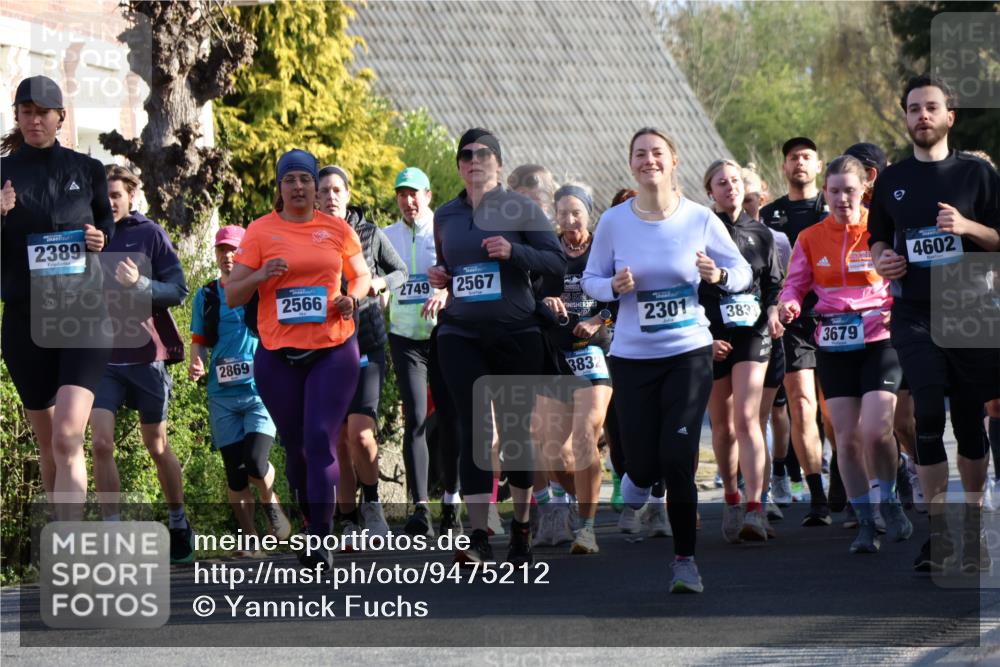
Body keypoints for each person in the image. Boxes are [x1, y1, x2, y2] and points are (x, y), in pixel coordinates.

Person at [582, 127, 752, 593]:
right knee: (639, 461)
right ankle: (636, 482)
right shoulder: (615, 222)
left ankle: (684, 562)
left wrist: (717, 273)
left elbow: (741, 272)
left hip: (688, 352)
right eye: (640, 154)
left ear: (673, 161)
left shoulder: (699, 219)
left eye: (657, 153)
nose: (649, 160)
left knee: (677, 456)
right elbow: (589, 280)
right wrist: (611, 288)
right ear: (631, 164)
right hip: (633, 356)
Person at [868, 75, 1000, 573]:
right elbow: (877, 238)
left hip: (970, 313)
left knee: (969, 421)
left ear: (950, 116)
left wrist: (967, 228)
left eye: (931, 107)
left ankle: (972, 527)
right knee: (926, 412)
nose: (921, 115)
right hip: (915, 313)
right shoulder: (892, 180)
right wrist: (882, 258)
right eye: (913, 109)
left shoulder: (977, 176)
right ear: (905, 119)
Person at [226, 149, 371, 570]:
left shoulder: (337, 228)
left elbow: (360, 274)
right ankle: (311, 522)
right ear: (280, 187)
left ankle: (321, 537)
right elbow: (234, 293)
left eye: (305, 179)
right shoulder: (259, 231)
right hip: (278, 356)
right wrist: (259, 275)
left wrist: (352, 298)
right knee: (295, 450)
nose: (298, 186)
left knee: (319, 440)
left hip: (333, 349)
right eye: (289, 180)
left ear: (314, 183)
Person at [428, 128, 566, 565]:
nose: (474, 161)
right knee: (473, 429)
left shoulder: (521, 208)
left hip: (516, 333)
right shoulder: (446, 215)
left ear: (499, 163)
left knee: (514, 433)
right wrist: (442, 277)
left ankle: (522, 525)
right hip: (460, 334)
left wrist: (514, 252)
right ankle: (478, 533)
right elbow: (450, 265)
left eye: (483, 154)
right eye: (466, 155)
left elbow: (556, 262)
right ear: (458, 165)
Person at [780, 155, 912, 553]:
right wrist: (788, 304)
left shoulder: (881, 227)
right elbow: (795, 284)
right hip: (835, 343)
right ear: (825, 192)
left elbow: (903, 274)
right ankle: (866, 522)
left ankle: (888, 497)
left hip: (879, 338)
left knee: (876, 430)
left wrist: (897, 306)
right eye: (834, 191)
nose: (841, 199)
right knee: (847, 439)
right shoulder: (810, 237)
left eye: (849, 191)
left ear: (864, 191)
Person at [1, 75, 113, 519]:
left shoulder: (88, 170)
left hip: (83, 314)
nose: (34, 121)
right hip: (25, 319)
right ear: (18, 116)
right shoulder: (3, 174)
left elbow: (108, 227)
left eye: (43, 113)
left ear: (60, 118)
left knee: (68, 435)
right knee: (49, 443)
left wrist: (100, 237)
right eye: (26, 112)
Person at [89, 164, 193, 563]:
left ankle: (179, 522)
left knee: (156, 444)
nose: (110, 201)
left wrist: (141, 285)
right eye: (105, 195)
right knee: (100, 442)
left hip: (147, 358)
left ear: (131, 196)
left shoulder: (149, 234)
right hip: (103, 360)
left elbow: (178, 290)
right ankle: (112, 534)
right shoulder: (89, 236)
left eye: (116, 194)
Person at [316, 165, 407, 544]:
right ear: (317, 198)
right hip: (322, 347)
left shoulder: (369, 232)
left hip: (365, 343)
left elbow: (399, 271)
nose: (332, 196)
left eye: (338, 189)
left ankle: (372, 505)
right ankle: (348, 518)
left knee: (361, 434)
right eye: (325, 191)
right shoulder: (307, 235)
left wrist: (380, 285)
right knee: (337, 439)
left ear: (348, 194)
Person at [189, 225, 291, 553]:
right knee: (234, 473)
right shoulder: (205, 296)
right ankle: (251, 541)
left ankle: (270, 501)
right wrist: (196, 363)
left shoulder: (263, 291)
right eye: (222, 250)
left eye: (234, 249)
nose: (228, 256)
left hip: (259, 391)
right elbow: (199, 342)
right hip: (222, 396)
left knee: (256, 461)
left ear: (246, 252)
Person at [701, 159, 783, 543]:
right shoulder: (699, 230)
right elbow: (687, 287)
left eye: (735, 181)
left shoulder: (762, 233)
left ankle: (755, 507)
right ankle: (731, 498)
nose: (730, 187)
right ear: (710, 191)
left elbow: (774, 285)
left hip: (752, 332)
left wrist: (772, 311)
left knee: (749, 418)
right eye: (722, 182)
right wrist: (703, 336)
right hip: (713, 335)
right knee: (723, 427)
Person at [533, 182, 617, 554]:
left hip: (595, 353)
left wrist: (599, 320)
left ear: (589, 213)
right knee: (554, 454)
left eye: (576, 212)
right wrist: (544, 301)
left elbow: (623, 294)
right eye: (562, 212)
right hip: (556, 356)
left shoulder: (605, 247)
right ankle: (583, 499)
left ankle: (587, 528)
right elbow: (527, 297)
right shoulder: (546, 251)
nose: (569, 220)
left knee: (585, 436)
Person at [761, 136, 833, 526]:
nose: (799, 163)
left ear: (818, 165)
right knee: (802, 405)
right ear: (784, 167)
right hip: (794, 322)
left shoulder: (835, 208)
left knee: (834, 411)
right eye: (792, 158)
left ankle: (846, 483)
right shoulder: (769, 217)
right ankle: (817, 496)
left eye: (807, 157)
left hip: (839, 319)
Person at [383, 167, 452, 536]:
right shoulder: (386, 236)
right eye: (401, 194)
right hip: (404, 338)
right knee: (416, 419)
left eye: (414, 194)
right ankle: (420, 507)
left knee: (451, 417)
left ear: (428, 196)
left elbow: (460, 273)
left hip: (443, 335)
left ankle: (452, 503)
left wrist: (445, 292)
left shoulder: (443, 231)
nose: (408, 201)